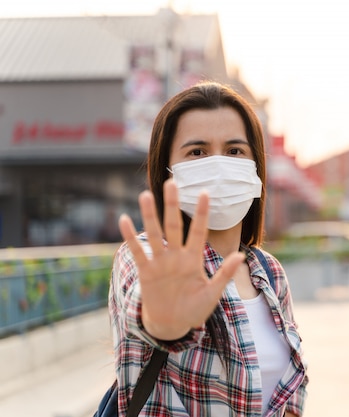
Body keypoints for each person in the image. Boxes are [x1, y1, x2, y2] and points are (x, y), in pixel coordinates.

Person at [109, 81, 308, 416]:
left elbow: (288, 397)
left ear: (256, 168)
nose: (219, 165)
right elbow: (151, 315)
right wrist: (167, 325)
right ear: (167, 172)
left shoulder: (269, 272)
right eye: (197, 152)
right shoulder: (149, 257)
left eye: (234, 151)